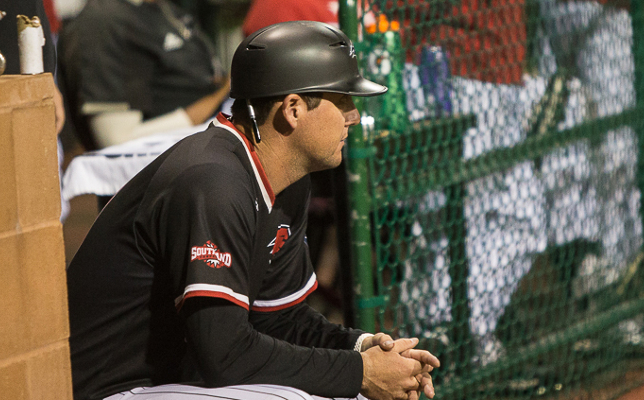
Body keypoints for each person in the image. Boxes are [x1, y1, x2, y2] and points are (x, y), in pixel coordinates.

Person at [66, 21, 440, 400]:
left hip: (177, 378)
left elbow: (278, 317)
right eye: (343, 100)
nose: (354, 116)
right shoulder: (213, 181)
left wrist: (362, 349)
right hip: (112, 388)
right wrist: (357, 373)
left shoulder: (287, 180)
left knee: (345, 389)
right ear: (293, 109)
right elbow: (223, 354)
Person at [57, 0, 230, 151]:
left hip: (211, 139)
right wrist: (213, 100)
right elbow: (116, 141)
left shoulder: (163, 8)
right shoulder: (105, 20)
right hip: (165, 171)